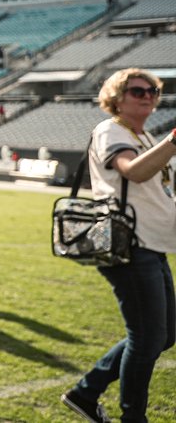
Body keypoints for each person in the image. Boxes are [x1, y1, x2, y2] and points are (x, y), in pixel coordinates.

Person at [61, 68, 176, 423]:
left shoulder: (144, 137)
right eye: (137, 90)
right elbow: (133, 171)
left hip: (151, 246)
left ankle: (86, 392)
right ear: (117, 97)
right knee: (146, 337)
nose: (147, 96)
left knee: (165, 334)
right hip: (130, 247)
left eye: (153, 91)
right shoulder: (111, 131)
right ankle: (132, 418)